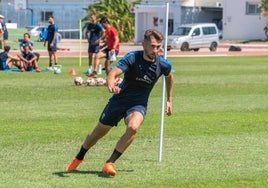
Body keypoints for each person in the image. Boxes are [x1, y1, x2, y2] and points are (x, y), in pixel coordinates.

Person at [66, 29, 174, 176]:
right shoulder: (133, 57)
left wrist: (169, 99)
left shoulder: (163, 64)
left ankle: (109, 163)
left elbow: (169, 77)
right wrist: (111, 84)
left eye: (158, 46)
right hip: (119, 100)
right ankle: (79, 157)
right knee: (97, 134)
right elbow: (113, 73)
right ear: (144, 44)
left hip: (138, 104)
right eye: (153, 46)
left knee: (133, 127)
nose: (156, 50)